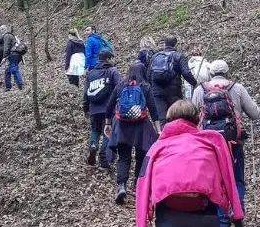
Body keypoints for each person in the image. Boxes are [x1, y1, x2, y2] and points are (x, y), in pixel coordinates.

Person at [135, 100, 243, 227]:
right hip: (206, 212)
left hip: (168, 215)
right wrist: (237, 215)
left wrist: (142, 223)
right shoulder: (213, 139)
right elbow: (228, 175)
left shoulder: (157, 146)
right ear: (197, 119)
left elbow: (142, 181)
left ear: (169, 120)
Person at [191, 60, 260, 224]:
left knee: (215, 180)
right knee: (236, 179)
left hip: (208, 145)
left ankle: (221, 218)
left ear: (211, 73)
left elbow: (192, 116)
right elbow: (255, 114)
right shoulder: (237, 88)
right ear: (227, 72)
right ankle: (237, 212)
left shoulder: (200, 90)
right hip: (233, 143)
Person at [110, 55, 160, 204]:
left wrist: (107, 123)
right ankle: (138, 186)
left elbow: (110, 106)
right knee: (140, 156)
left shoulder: (120, 85)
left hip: (122, 127)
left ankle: (121, 186)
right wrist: (158, 130)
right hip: (141, 128)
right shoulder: (145, 87)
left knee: (124, 157)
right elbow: (153, 109)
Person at [149, 35, 199, 129]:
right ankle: (177, 135)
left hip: (157, 92)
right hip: (173, 91)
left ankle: (164, 137)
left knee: (162, 118)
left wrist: (153, 89)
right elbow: (186, 73)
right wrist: (195, 84)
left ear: (164, 44)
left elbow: (149, 75)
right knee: (176, 115)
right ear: (175, 44)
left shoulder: (155, 56)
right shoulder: (178, 56)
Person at [84, 49, 121, 168]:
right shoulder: (112, 71)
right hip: (109, 109)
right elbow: (119, 88)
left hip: (94, 108)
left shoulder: (91, 73)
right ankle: (104, 157)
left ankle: (93, 145)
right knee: (107, 131)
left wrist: (86, 108)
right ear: (108, 58)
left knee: (95, 130)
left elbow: (85, 93)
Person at [2, 25, 26, 91]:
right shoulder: (13, 36)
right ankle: (8, 86)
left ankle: (20, 84)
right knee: (8, 70)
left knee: (14, 69)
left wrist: (4, 56)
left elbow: (6, 47)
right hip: (18, 55)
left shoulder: (7, 36)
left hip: (13, 54)